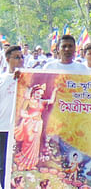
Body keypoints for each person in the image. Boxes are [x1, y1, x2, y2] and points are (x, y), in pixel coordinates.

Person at [13, 83, 56, 170]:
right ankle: (23, 162)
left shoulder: (41, 102)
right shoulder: (28, 101)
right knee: (28, 140)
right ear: (33, 92)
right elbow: (22, 113)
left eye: (40, 94)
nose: (39, 96)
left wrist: (55, 90)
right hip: (29, 123)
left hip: (38, 124)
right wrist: (31, 117)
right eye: (37, 93)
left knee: (35, 143)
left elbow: (51, 101)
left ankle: (31, 164)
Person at [1, 45, 23, 182]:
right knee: (2, 165)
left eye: (22, 57)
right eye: (16, 57)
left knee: (15, 166)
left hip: (19, 131)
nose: (20, 60)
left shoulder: (30, 78)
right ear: (8, 59)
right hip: (3, 128)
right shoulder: (2, 79)